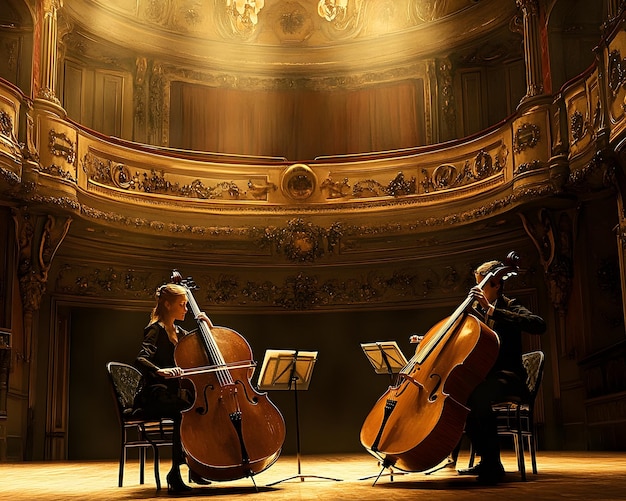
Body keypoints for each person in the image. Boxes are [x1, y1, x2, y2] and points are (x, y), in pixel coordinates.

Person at [457, 259, 546, 485]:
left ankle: (493, 465)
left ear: (495, 284)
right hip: (486, 376)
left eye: (482, 284)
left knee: (478, 397)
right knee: (461, 399)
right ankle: (487, 459)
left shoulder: (509, 305)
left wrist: (492, 310)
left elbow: (538, 324)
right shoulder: (474, 313)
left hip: (509, 377)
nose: (477, 289)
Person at [133, 283, 213, 493]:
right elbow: (141, 358)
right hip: (154, 394)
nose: (186, 309)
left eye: (187, 305)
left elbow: (199, 345)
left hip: (171, 393)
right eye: (182, 304)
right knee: (184, 411)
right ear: (168, 305)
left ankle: (195, 468)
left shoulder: (179, 331)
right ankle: (175, 473)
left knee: (195, 409)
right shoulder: (155, 329)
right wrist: (161, 370)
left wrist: (208, 327)